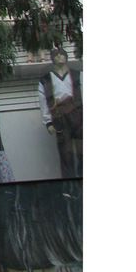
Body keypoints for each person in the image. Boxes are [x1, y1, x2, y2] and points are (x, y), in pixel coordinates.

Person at [38, 47, 82, 178]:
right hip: (60, 118)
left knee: (83, 152)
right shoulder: (45, 80)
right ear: (52, 59)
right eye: (56, 55)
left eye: (62, 54)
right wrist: (48, 122)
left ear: (66, 57)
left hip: (79, 116)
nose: (59, 57)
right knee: (65, 154)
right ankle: (69, 187)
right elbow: (43, 102)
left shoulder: (78, 74)